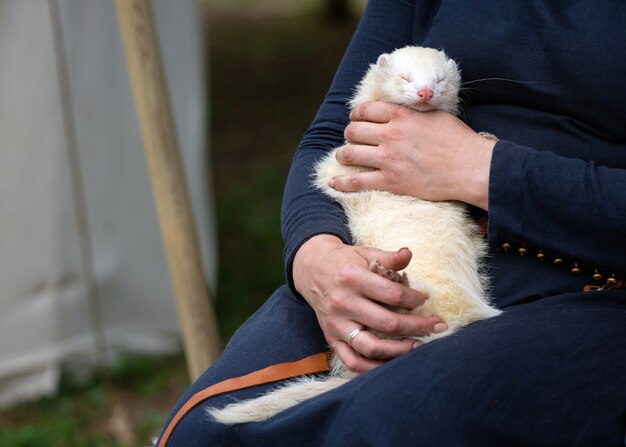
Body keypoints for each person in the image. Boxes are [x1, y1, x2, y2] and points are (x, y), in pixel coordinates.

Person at [157, 1, 626, 445]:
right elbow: (333, 132)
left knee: (385, 424)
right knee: (203, 431)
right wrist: (315, 255)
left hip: (594, 280)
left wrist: (484, 170)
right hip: (391, 243)